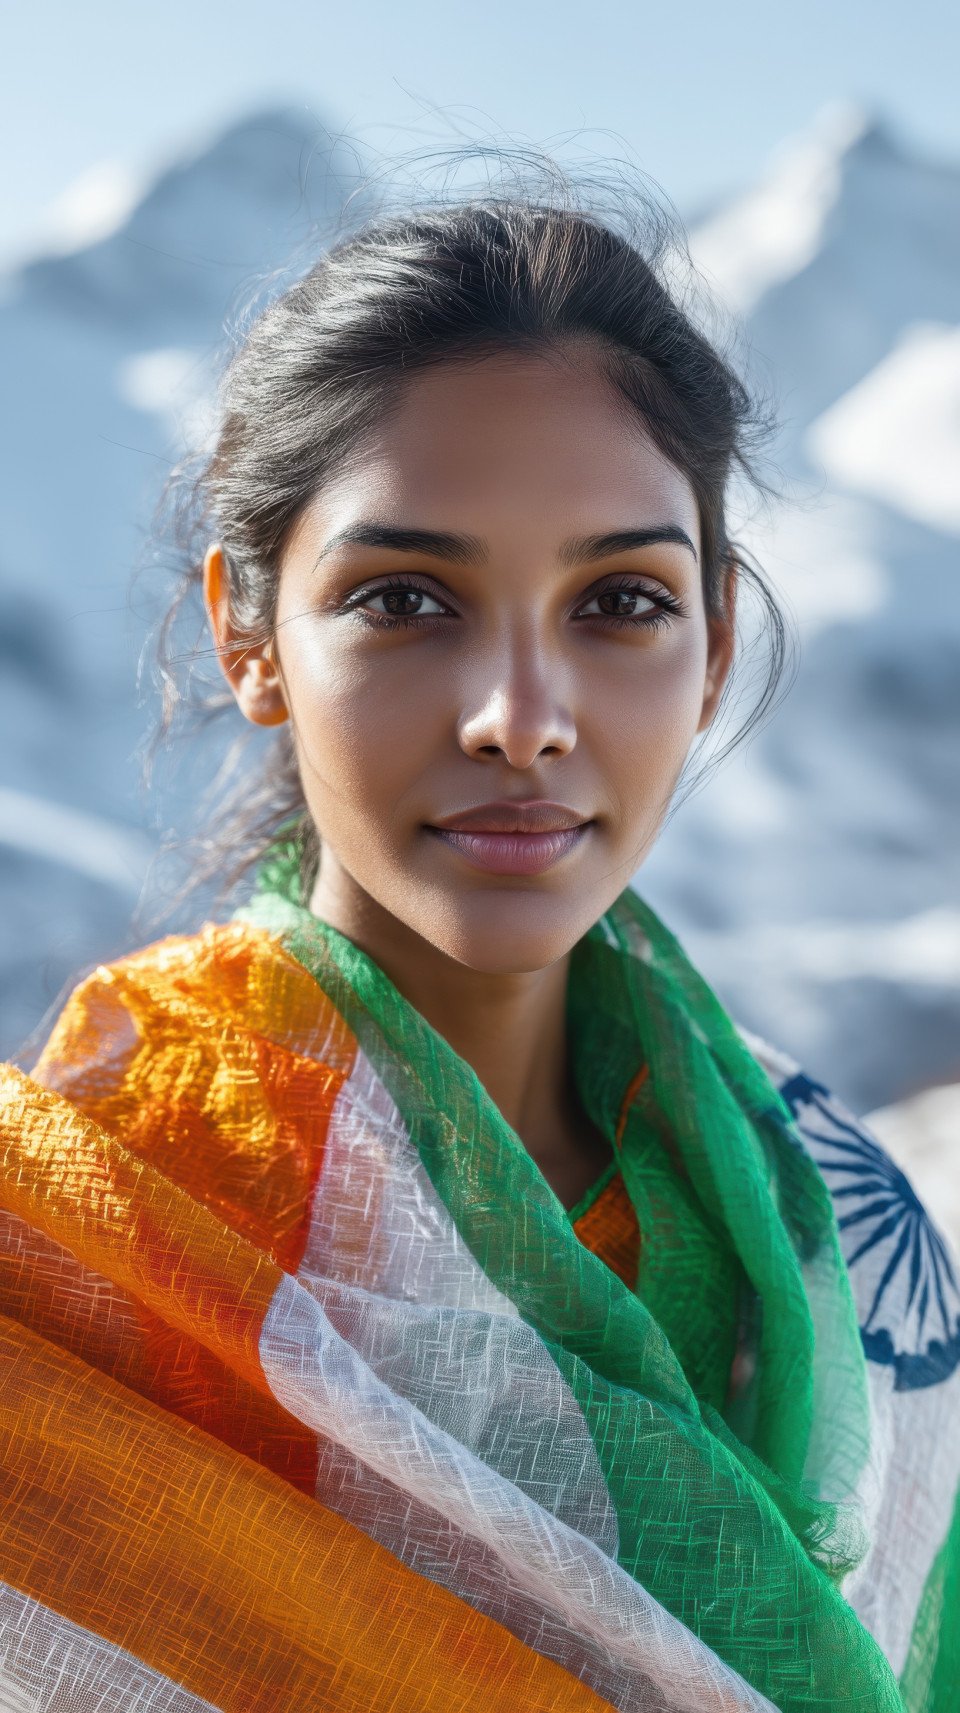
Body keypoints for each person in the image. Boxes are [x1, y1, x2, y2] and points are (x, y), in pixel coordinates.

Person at [0, 188, 957, 1713]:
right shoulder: (68, 1256)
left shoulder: (841, 1239)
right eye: (405, 599)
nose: (522, 711)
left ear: (713, 645)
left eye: (621, 602)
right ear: (250, 635)